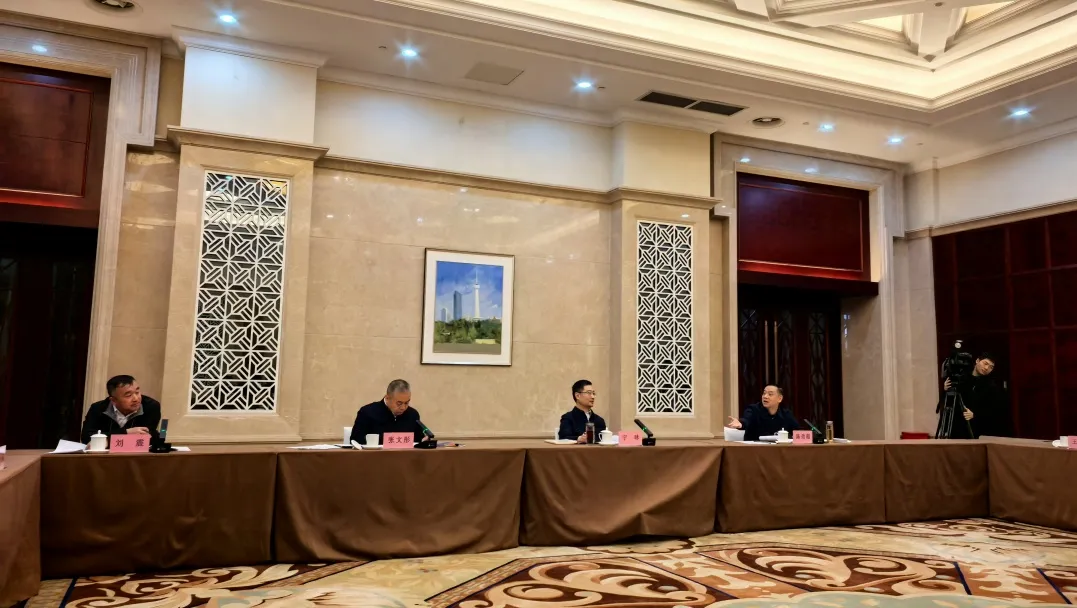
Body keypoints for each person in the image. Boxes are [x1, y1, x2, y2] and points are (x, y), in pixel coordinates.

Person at [942, 353, 1010, 439]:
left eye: (991, 367)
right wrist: (946, 389)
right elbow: (949, 403)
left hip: (977, 430)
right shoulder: (961, 378)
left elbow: (994, 410)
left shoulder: (991, 386)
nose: (987, 368)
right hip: (957, 426)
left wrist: (975, 415)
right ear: (977, 361)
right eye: (985, 363)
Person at [80, 375, 162, 444]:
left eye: (137, 392)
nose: (136, 399)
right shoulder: (98, 408)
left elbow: (147, 437)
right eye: (128, 395)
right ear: (113, 400)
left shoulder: (151, 406)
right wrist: (126, 433)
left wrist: (109, 439)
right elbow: (86, 438)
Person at [350, 379, 425, 444]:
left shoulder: (413, 415)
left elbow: (419, 441)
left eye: (406, 403)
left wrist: (425, 441)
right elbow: (355, 441)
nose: (403, 408)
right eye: (399, 403)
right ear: (387, 398)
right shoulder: (367, 412)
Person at [725, 385, 799, 441]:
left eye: (770, 394)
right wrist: (741, 423)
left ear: (780, 398)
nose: (765, 396)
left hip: (778, 451)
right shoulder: (753, 409)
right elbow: (747, 420)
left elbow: (797, 431)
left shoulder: (786, 414)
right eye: (764, 393)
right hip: (755, 451)